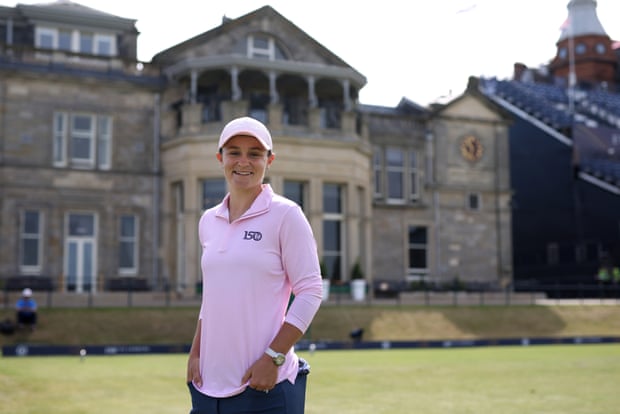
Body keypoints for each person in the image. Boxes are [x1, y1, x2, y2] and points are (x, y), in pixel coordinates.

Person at [186, 116, 323, 414]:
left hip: (264, 386)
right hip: (207, 386)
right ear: (220, 158)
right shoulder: (208, 220)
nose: (243, 161)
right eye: (234, 152)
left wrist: (274, 356)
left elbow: (311, 291)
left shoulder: (287, 215)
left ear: (269, 160)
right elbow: (212, 298)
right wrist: (195, 353)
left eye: (255, 153)